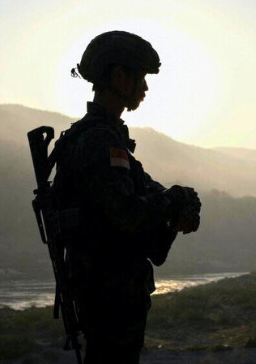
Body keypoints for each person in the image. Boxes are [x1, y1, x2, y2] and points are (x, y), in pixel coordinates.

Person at [51, 30, 202, 364]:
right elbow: (129, 213)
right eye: (141, 78)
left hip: (110, 294)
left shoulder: (102, 139)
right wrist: (173, 199)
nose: (145, 88)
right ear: (119, 76)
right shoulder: (100, 142)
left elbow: (146, 189)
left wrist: (179, 199)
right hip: (110, 296)